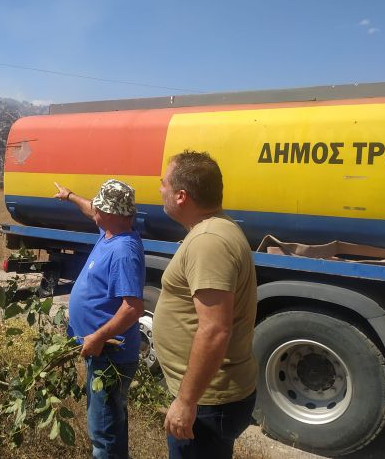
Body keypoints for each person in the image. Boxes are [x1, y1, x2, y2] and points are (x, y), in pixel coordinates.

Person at [154, 150, 257, 459]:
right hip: (208, 398)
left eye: (164, 183)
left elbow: (214, 330)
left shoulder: (208, 241)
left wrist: (186, 401)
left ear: (182, 196)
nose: (160, 189)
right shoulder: (211, 230)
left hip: (208, 402)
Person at [53, 179, 145, 459]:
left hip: (111, 356)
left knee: (104, 433)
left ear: (114, 214)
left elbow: (133, 308)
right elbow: (89, 207)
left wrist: (97, 336)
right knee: (107, 424)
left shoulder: (123, 251)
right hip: (101, 352)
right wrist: (69, 196)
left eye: (101, 208)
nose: (95, 210)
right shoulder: (109, 230)